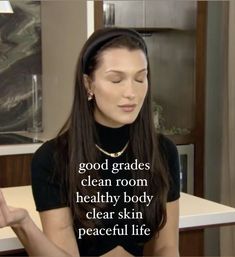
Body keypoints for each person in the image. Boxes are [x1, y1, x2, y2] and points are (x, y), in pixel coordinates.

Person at [0, 27, 180, 257]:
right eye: (116, 80)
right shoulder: (53, 159)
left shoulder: (163, 151)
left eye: (140, 78)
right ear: (88, 84)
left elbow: (167, 247)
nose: (131, 92)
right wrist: (22, 223)